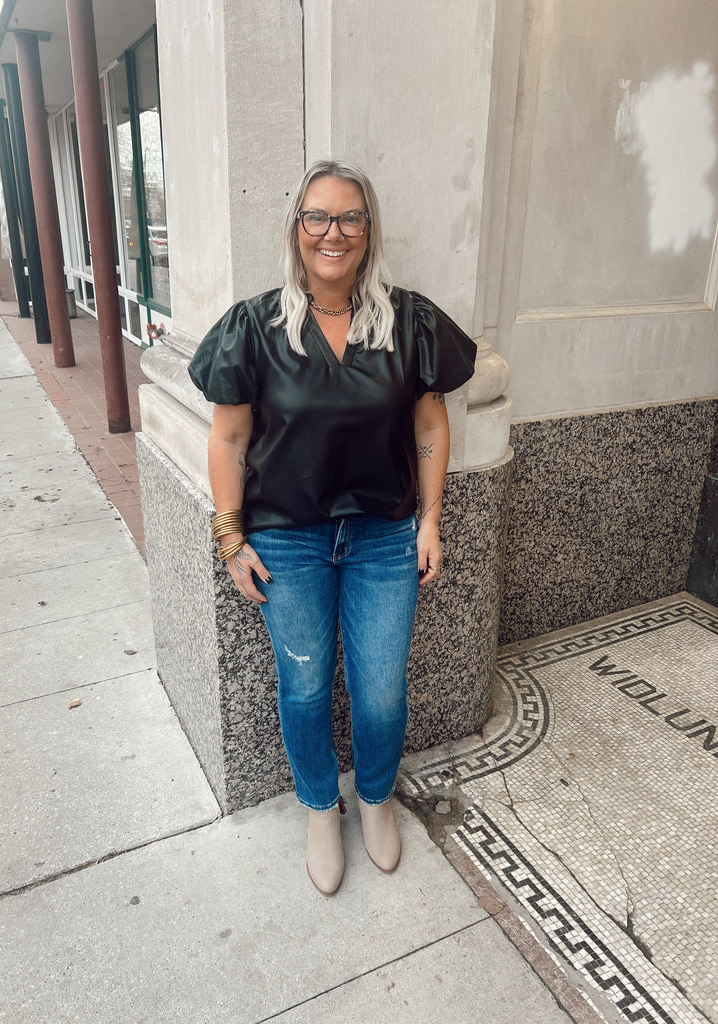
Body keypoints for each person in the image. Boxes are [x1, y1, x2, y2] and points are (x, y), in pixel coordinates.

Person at [189, 159, 476, 895]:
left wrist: (431, 517)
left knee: (380, 690)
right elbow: (226, 440)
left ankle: (374, 799)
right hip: (288, 539)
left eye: (349, 217)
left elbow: (430, 423)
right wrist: (230, 539)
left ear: (368, 231)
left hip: (383, 536)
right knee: (306, 688)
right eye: (316, 216)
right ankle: (322, 807)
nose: (332, 232)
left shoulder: (408, 322)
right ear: (296, 229)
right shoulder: (255, 327)